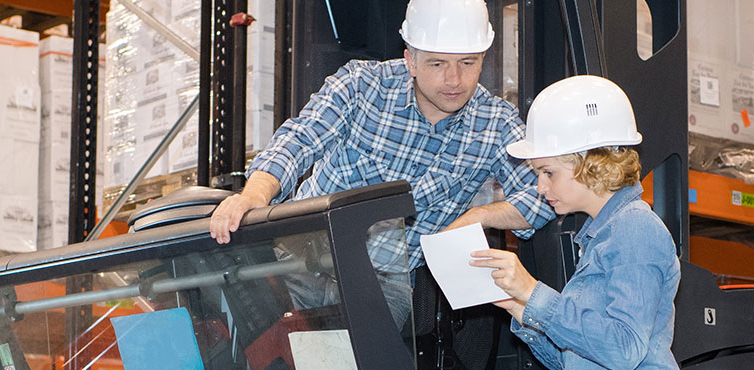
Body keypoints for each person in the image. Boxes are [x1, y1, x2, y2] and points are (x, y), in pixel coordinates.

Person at [207, 0, 555, 328]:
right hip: (297, 260)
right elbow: (298, 141)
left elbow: (546, 193)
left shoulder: (494, 124)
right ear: (410, 61)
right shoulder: (361, 86)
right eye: (437, 63)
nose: (454, 80)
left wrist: (477, 217)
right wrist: (253, 195)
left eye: (468, 63)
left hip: (383, 286)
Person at [470, 76, 680, 369]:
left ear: (591, 162)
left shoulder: (635, 229)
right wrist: (519, 307)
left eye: (548, 172)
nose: (540, 187)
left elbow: (624, 350)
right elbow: (571, 361)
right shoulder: (600, 236)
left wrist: (532, 292)